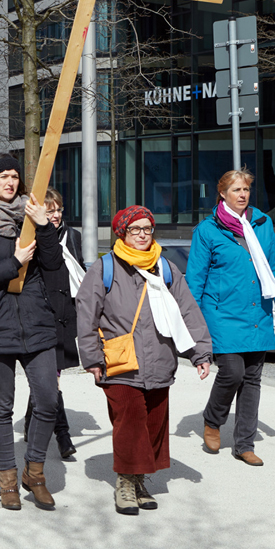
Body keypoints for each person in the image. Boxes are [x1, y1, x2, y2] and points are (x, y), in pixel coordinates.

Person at [76, 205, 212, 515]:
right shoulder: (105, 268)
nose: (142, 235)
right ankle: (125, 482)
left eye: (147, 229)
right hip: (120, 362)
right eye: (135, 229)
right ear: (121, 233)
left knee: (153, 423)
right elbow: (86, 314)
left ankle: (138, 480)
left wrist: (200, 353)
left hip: (160, 360)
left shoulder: (165, 267)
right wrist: (92, 357)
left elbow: (188, 311)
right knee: (129, 422)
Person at [0, 154, 63, 512]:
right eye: (3, 176)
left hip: (36, 322)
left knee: (47, 399)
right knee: (2, 407)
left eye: (15, 176)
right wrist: (14, 262)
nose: (10, 182)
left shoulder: (30, 217)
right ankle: (7, 480)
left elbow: (53, 264)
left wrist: (44, 226)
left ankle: (35, 472)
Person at [186, 168, 275, 467]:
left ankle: (244, 444)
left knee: (252, 379)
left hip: (257, 312)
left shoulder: (262, 223)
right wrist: (192, 321)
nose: (242, 194)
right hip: (221, 314)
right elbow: (195, 279)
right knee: (232, 372)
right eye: (236, 190)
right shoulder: (207, 230)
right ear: (223, 194)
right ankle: (212, 420)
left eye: (245, 189)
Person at [23, 188, 85, 459]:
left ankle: (29, 421)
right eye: (50, 211)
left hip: (65, 314)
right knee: (51, 378)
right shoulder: (31, 237)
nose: (56, 215)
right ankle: (63, 434)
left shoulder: (73, 236)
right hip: (41, 314)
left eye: (59, 209)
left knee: (49, 377)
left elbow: (79, 271)